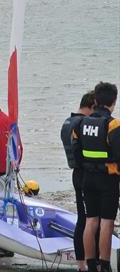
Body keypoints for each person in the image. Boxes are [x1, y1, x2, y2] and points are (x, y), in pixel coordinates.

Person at [72, 82, 119, 272]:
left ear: (96, 100)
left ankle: (90, 264)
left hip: (87, 178)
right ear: (113, 102)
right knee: (107, 221)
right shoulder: (113, 124)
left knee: (90, 220)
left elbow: (76, 153)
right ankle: (105, 264)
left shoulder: (80, 123)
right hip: (108, 179)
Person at [61, 91, 97, 272]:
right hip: (84, 174)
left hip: (76, 172)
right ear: (92, 106)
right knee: (87, 220)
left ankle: (82, 263)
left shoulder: (68, 121)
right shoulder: (81, 123)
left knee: (83, 219)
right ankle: (84, 264)